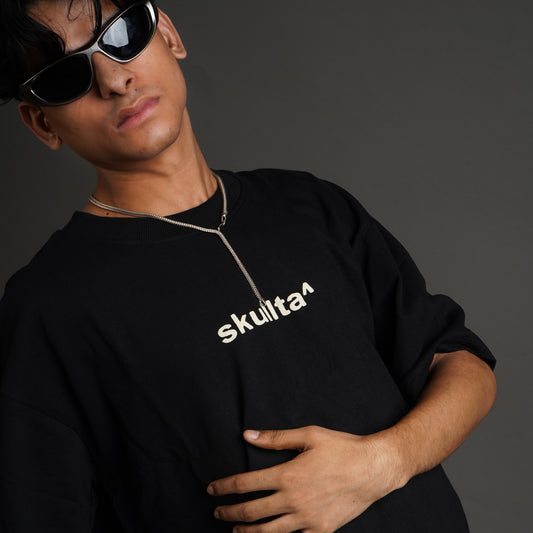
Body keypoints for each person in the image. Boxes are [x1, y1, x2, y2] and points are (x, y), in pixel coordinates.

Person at [0, 0, 497, 531]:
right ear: (42, 123)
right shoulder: (47, 309)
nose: (114, 81)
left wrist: (381, 463)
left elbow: (462, 364)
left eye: (122, 35)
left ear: (168, 34)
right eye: (65, 75)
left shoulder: (309, 205)